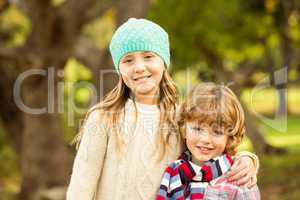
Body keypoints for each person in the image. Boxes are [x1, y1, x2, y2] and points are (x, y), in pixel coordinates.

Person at [66, 18, 259, 200]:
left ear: (163, 62)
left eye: (148, 56)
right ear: (119, 68)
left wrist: (247, 159)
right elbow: (81, 185)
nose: (139, 67)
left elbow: (210, 149)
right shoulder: (103, 118)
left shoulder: (181, 115)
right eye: (128, 60)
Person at [157, 82, 260, 200]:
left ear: (229, 137)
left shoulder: (240, 182)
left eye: (217, 132)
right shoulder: (174, 176)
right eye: (197, 129)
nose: (205, 139)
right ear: (184, 130)